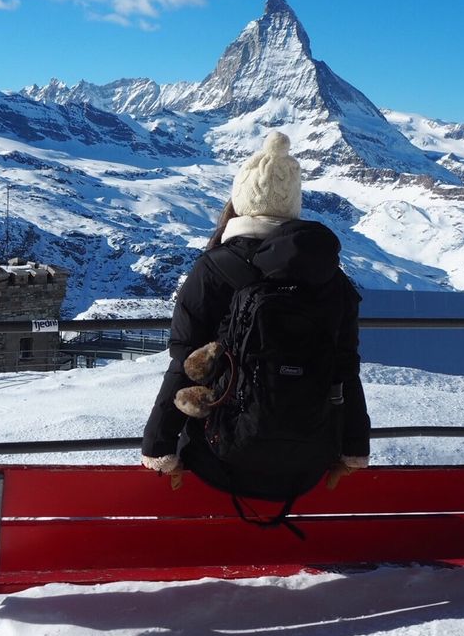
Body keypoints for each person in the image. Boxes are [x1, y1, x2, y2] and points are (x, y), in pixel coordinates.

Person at [141, 131, 370, 503]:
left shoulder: (214, 268)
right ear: (292, 205)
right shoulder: (330, 278)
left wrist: (159, 447)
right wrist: (353, 449)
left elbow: (187, 361)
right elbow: (346, 367)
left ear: (242, 199)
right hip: (307, 465)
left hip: (219, 461)